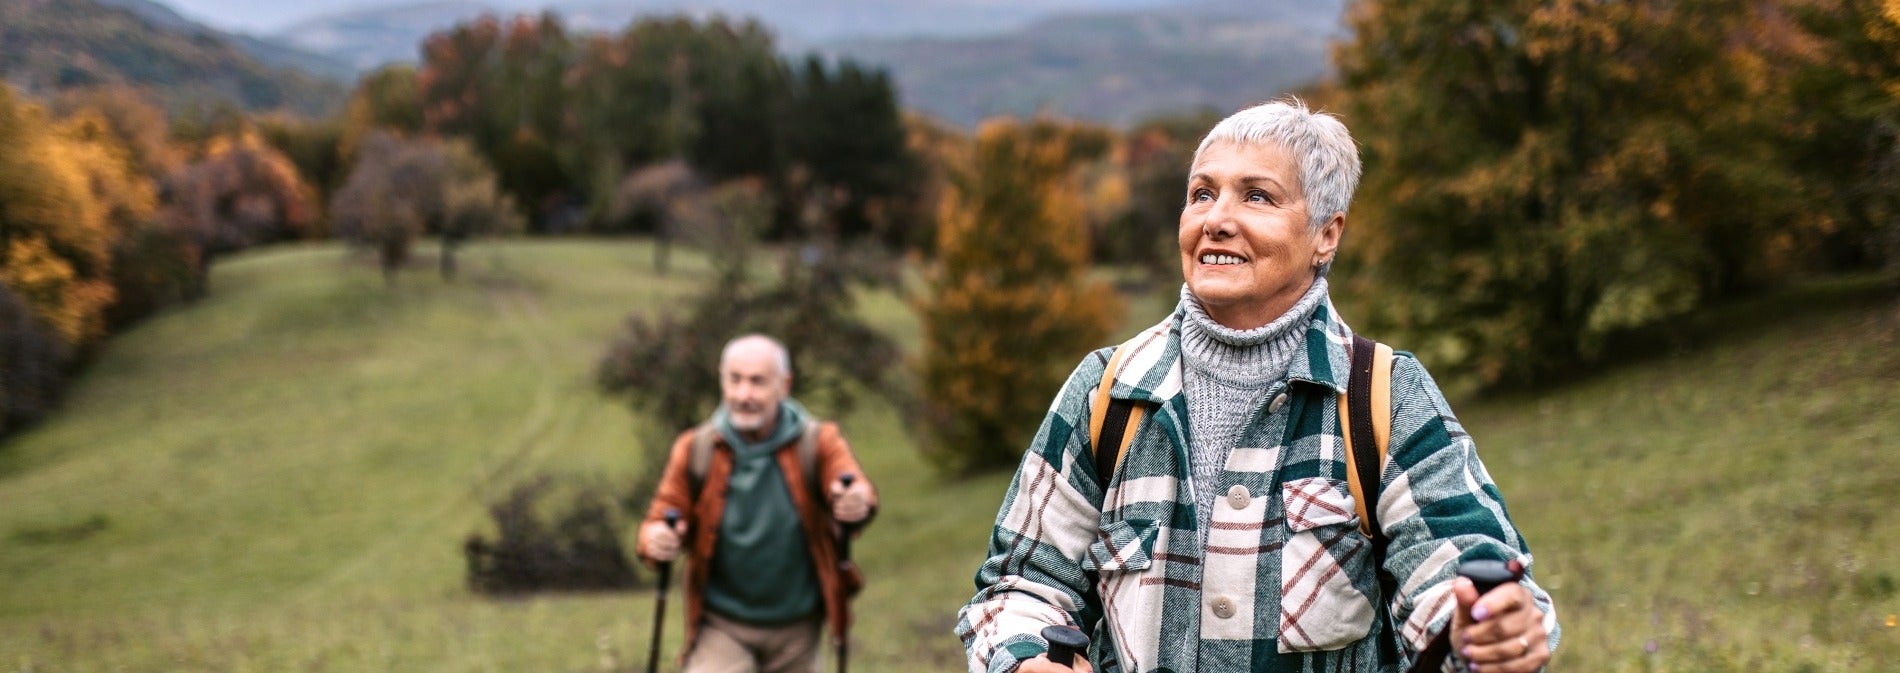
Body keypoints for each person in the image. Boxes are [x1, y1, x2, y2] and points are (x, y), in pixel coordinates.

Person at [955, 98, 1559, 673]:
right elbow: (1021, 583)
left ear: (1327, 234)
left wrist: (1489, 628)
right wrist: (1028, 652)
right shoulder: (1106, 392)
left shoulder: (1383, 396)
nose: (1216, 220)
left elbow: (1453, 571)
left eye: (1257, 197)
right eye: (1201, 194)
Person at [639, 334, 877, 673]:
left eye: (757, 382)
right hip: (722, 626)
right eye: (734, 380)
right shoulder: (695, 448)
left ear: (785, 385)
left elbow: (855, 488)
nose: (743, 395)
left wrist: (856, 502)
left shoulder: (818, 441)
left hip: (798, 629)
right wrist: (655, 538)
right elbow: (660, 517)